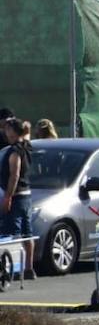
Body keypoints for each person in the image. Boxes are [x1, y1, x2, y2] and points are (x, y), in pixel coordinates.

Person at [0, 118, 36, 279]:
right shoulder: (26, 145)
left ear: (14, 131)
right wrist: (26, 128)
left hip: (16, 196)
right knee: (28, 233)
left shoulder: (15, 151)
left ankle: (11, 269)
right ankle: (29, 268)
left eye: (7, 129)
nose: (5, 132)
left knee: (12, 233)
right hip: (27, 196)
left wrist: (8, 197)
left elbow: (14, 175)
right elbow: (27, 131)